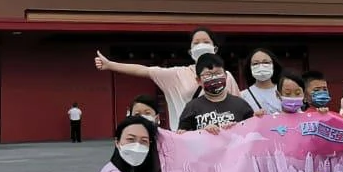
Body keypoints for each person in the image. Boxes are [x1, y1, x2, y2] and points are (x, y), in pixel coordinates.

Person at [94, 29, 241, 129]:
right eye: (196, 43)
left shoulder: (227, 76)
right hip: (187, 138)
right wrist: (110, 65)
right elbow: (144, 70)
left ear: (215, 48)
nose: (201, 45)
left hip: (222, 139)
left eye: (206, 42)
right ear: (190, 51)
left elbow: (238, 108)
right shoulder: (177, 74)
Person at [177, 53, 254, 132]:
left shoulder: (240, 104)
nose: (214, 77)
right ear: (198, 80)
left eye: (218, 73)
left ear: (226, 75)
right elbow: (182, 135)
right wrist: (203, 132)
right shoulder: (192, 107)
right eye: (208, 75)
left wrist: (235, 128)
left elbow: (253, 131)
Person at [242, 48, 284, 114]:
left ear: (273, 65)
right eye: (255, 63)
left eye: (266, 62)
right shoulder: (243, 96)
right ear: (250, 68)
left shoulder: (284, 91)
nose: (261, 66)